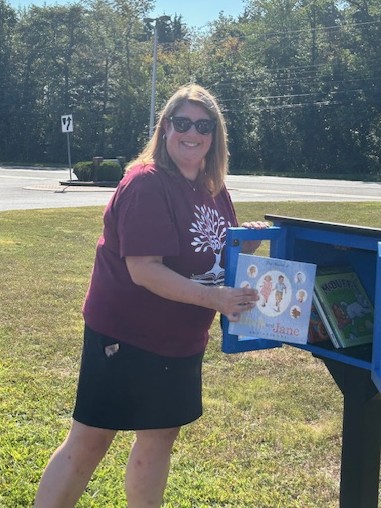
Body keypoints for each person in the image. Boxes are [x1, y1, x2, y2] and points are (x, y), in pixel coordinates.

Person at [34, 83, 268, 508]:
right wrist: (217, 300)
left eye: (203, 125)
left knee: (160, 437)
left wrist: (242, 244)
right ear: (165, 127)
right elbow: (145, 270)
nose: (192, 133)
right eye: (183, 123)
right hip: (125, 335)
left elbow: (211, 250)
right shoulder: (147, 183)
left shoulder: (214, 188)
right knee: (90, 440)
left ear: (215, 135)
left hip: (180, 340)